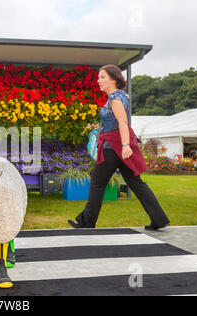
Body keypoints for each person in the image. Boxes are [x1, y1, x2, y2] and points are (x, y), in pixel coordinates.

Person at [68, 64, 170, 231]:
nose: (98, 80)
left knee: (97, 183)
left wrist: (124, 145)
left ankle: (87, 222)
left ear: (114, 79)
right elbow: (116, 122)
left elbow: (122, 122)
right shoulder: (122, 96)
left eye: (102, 77)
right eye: (98, 77)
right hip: (119, 146)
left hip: (114, 148)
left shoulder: (115, 99)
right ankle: (159, 219)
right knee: (136, 183)